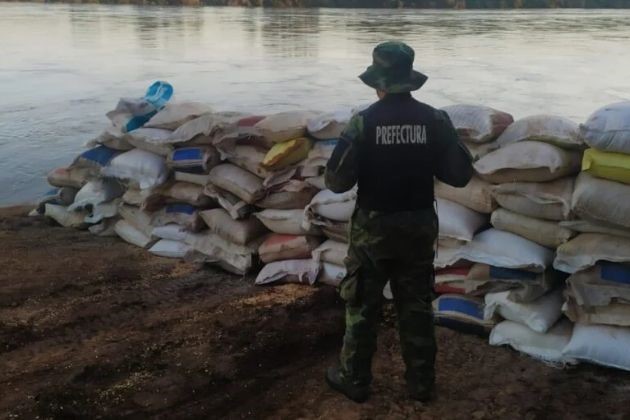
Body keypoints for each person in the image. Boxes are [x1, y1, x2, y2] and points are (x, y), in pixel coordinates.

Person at [324, 41, 473, 403]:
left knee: (363, 303)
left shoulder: (364, 121)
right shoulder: (435, 120)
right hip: (418, 226)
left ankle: (354, 378)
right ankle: (422, 383)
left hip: (373, 228)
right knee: (416, 305)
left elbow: (336, 182)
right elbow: (460, 175)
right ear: (409, 80)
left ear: (378, 83)